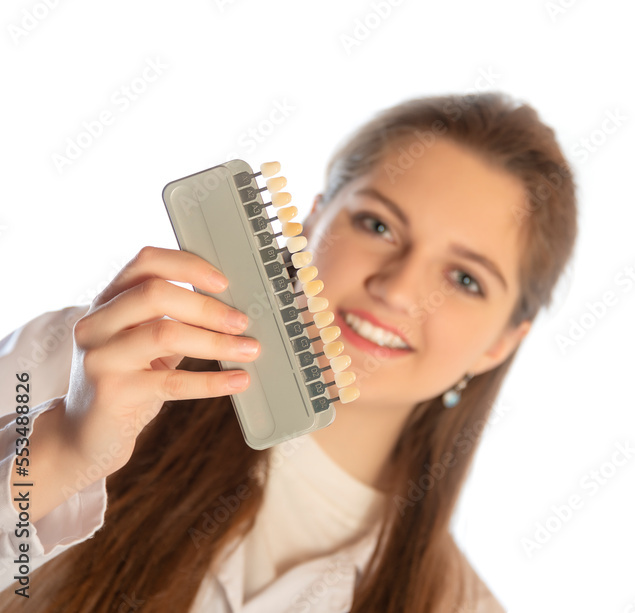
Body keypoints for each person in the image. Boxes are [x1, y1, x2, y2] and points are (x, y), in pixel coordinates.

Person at [0, 91, 577, 612]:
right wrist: (60, 455)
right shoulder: (86, 367)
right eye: (377, 225)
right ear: (311, 220)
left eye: (465, 278)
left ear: (503, 340)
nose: (398, 290)